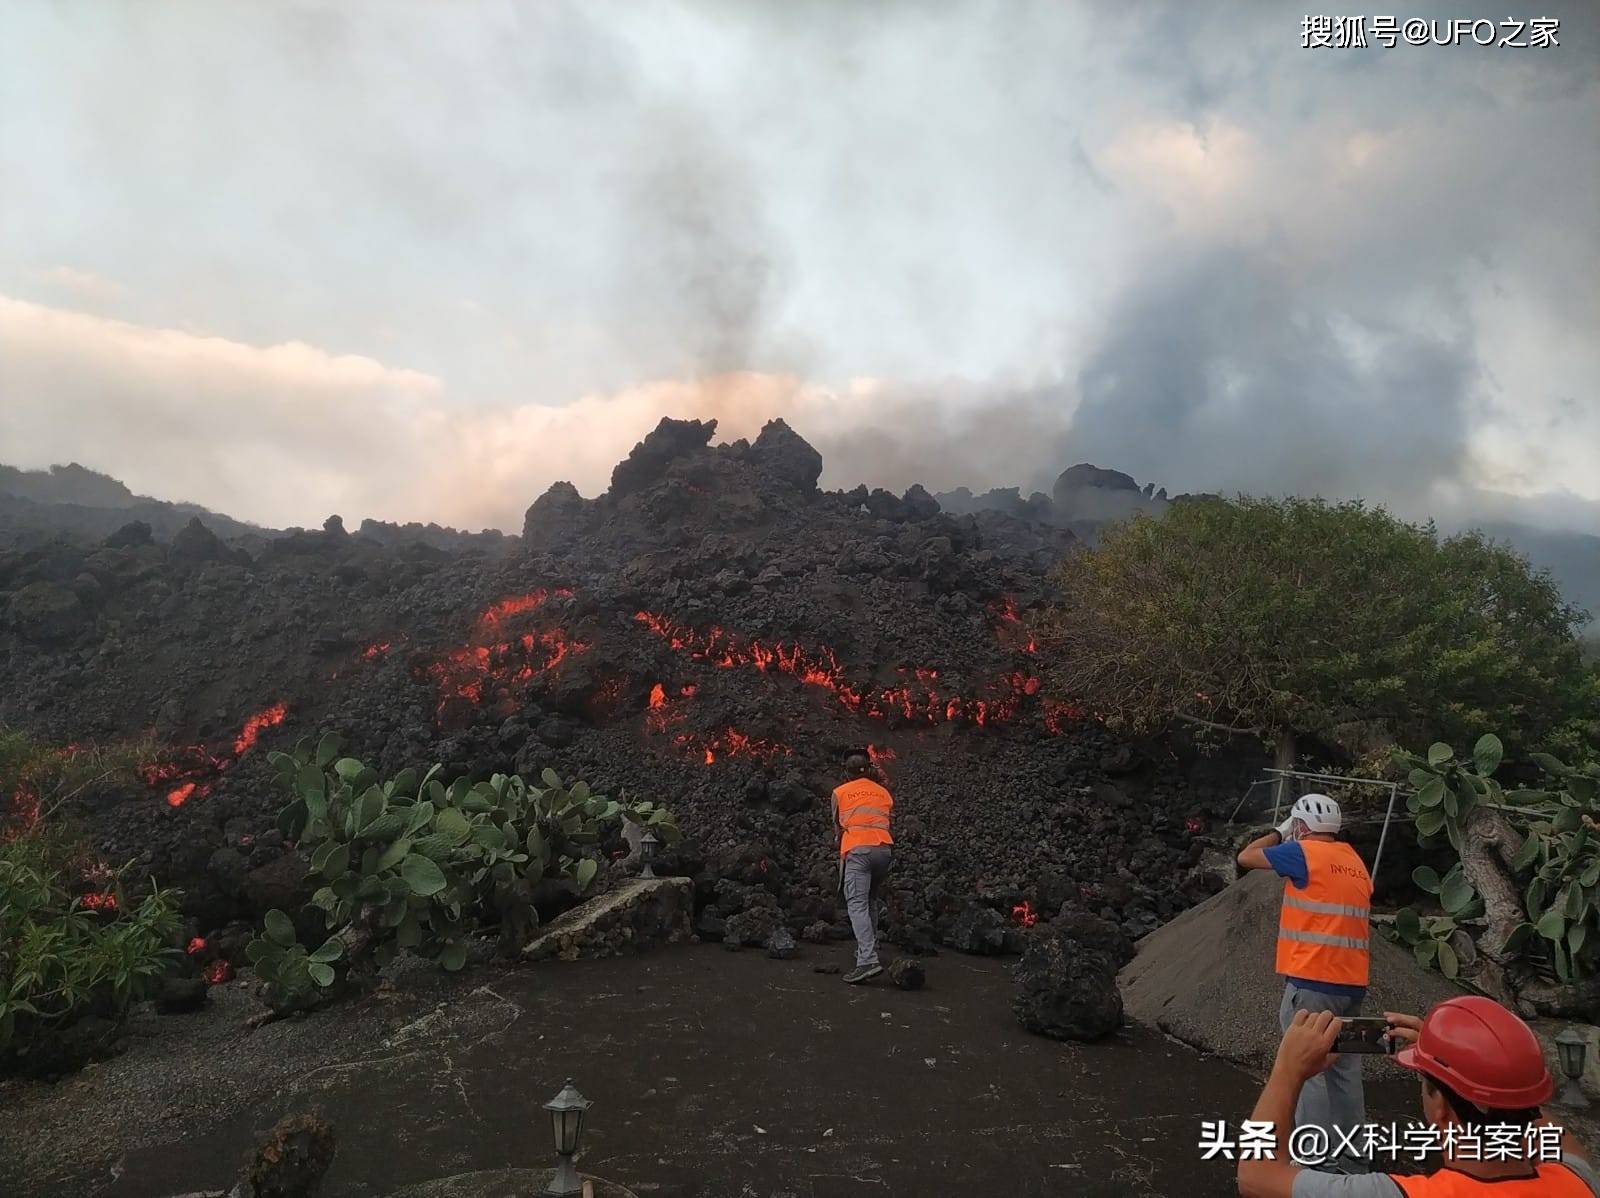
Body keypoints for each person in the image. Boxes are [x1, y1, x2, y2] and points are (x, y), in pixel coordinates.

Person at [1237, 997, 1598, 1196]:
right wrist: (1456, 1054)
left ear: (1439, 1106)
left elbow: (1256, 1175)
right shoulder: (1579, 1181)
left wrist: (1287, 1070)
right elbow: (1523, 1103)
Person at [1238, 794, 1372, 1169]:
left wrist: (1280, 832)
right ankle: (1353, 1160)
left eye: (1295, 825)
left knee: (1306, 1068)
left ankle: (1313, 1164)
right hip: (1352, 984)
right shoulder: (1353, 861)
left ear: (1301, 827)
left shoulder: (1303, 853)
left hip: (1313, 983)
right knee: (1345, 1071)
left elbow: (1246, 857)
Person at [831, 752, 893, 984]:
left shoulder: (840, 792)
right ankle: (870, 946)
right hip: (884, 850)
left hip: (858, 851)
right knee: (870, 900)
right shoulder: (883, 792)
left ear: (846, 771)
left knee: (856, 903)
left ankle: (867, 960)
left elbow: (837, 828)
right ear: (869, 769)